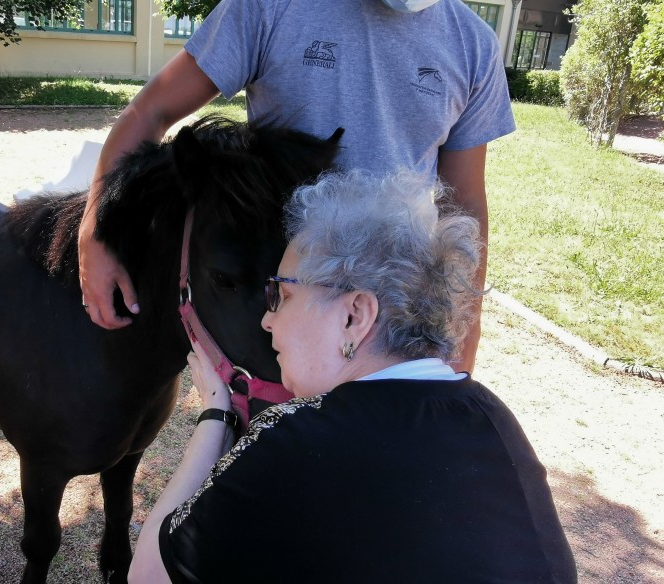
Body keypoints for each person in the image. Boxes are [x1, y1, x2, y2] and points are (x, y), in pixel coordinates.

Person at [128, 170, 577, 583]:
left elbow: (147, 575)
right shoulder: (492, 415)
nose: (267, 321)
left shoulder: (298, 438)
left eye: (280, 294)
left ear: (354, 316)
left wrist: (215, 415)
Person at [77, 0, 515, 374]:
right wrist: (96, 232)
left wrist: (466, 333)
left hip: (399, 308)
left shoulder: (472, 43)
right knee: (275, 440)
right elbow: (149, 112)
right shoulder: (270, 6)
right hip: (286, 296)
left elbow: (465, 205)